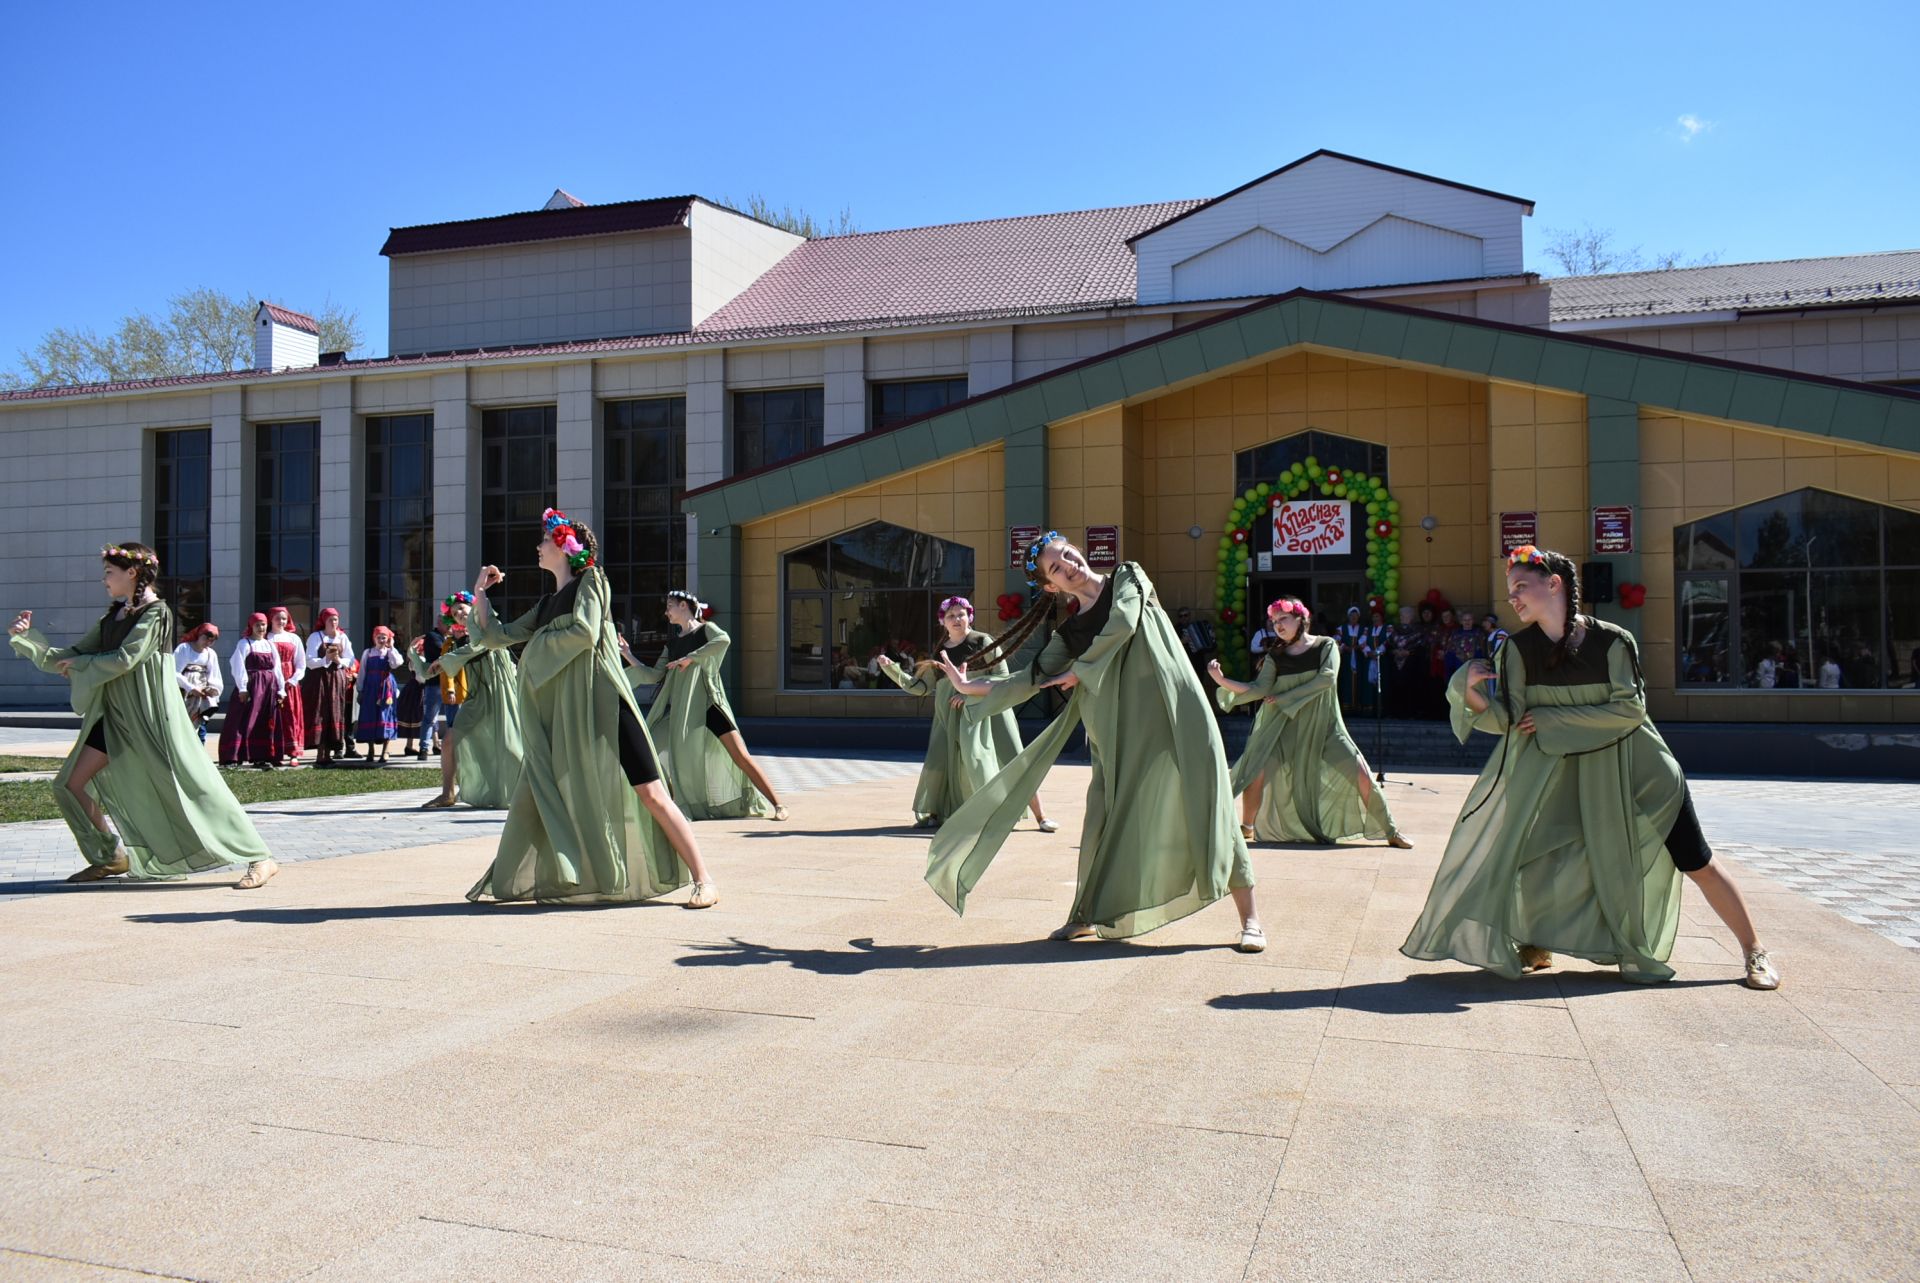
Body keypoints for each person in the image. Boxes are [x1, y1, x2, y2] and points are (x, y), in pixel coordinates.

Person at [1402, 545, 1779, 989]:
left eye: (1522, 586)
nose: (1514, 598)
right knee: (1537, 859)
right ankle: (1537, 941)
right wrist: (1466, 692)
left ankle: (1755, 950)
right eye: (1510, 591)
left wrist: (1550, 719)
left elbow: (1629, 711)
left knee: (1698, 862)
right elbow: (1511, 721)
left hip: (1641, 772)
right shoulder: (1518, 651)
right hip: (1570, 779)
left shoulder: (1613, 640)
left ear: (1554, 584)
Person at [929, 532, 1264, 950]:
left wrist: (1080, 672)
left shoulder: (1128, 577)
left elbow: (1123, 622)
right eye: (1056, 567)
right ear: (1051, 586)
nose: (1068, 564)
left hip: (1179, 715)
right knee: (1101, 817)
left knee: (1208, 802)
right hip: (1118, 730)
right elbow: (1029, 679)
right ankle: (1086, 914)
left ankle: (1250, 919)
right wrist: (968, 685)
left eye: (1068, 554)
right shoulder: (1069, 633)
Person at [463, 508, 718, 907]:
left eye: (545, 540)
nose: (538, 546)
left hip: (604, 700)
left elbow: (584, 631)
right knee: (542, 787)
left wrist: (533, 652)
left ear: (565, 546)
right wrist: (480, 594)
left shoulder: (592, 582)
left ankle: (704, 879)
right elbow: (497, 636)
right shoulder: (547, 603)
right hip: (568, 714)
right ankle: (557, 874)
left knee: (651, 791)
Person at [8, 543, 277, 887]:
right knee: (69, 785)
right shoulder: (113, 617)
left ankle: (260, 856)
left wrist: (82, 665)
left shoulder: (157, 613)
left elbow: (125, 658)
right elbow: (70, 656)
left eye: (109, 572)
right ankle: (110, 857)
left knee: (195, 786)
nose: (104, 580)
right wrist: (27, 640)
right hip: (115, 717)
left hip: (151, 717)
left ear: (131, 573)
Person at [1211, 597, 1410, 848]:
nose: (1277, 626)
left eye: (1283, 619)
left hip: (1325, 728)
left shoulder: (1326, 646)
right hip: (1284, 730)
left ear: (1301, 619)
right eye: (1274, 621)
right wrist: (1222, 681)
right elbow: (1258, 689)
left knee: (1362, 775)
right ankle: (1247, 827)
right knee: (1255, 772)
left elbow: (1326, 679)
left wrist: (1284, 696)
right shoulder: (1276, 655)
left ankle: (1390, 830)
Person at [876, 594, 1057, 832]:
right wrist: (893, 670)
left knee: (1011, 758)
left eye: (961, 614)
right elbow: (922, 687)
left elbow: (1004, 678)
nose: (956, 619)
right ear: (942, 621)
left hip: (990, 714)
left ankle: (1041, 816)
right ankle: (937, 813)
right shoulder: (941, 649)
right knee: (943, 763)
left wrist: (968, 691)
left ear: (969, 616)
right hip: (951, 718)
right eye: (950, 615)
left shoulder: (983, 642)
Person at [618, 589, 787, 821]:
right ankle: (677, 803)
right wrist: (628, 655)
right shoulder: (673, 643)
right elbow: (654, 675)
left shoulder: (706, 630)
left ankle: (778, 804)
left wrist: (691, 658)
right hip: (683, 713)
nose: (666, 611)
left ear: (684, 606)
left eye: (670, 605)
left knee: (741, 756)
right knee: (649, 749)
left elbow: (723, 640)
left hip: (709, 705)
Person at [416, 592, 523, 809]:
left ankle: (531, 794)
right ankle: (447, 793)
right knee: (448, 742)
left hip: (500, 694)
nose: (459, 615)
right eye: (455, 614)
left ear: (472, 607)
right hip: (477, 698)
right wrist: (414, 656)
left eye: (462, 609)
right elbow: (432, 671)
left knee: (512, 747)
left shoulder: (486, 626)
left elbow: (480, 645)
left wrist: (445, 660)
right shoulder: (457, 643)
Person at [303, 607, 356, 767]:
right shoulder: (315, 637)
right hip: (319, 678)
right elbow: (309, 661)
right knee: (320, 712)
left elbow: (351, 659)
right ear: (324, 621)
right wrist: (325, 659)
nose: (334, 623)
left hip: (336, 678)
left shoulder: (342, 637)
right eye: (330, 620)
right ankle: (320, 751)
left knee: (335, 712)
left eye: (336, 619)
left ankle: (330, 751)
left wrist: (339, 660)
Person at [265, 606, 306, 766]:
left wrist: (293, 680)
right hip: (272, 682)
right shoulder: (266, 638)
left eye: (284, 618)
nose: (281, 621)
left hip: (289, 682)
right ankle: (275, 752)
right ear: (271, 619)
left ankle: (293, 753)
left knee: (291, 716)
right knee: (274, 717)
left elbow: (301, 664)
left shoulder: (293, 638)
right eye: (278, 618)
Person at [356, 626, 402, 764]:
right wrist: (360, 689)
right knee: (370, 715)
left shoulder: (389, 652)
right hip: (370, 687)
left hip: (386, 688)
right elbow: (362, 671)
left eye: (384, 637)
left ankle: (385, 751)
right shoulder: (368, 652)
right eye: (379, 637)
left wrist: (392, 647)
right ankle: (371, 750)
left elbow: (397, 663)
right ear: (374, 638)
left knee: (385, 715)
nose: (382, 640)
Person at [173, 622, 222, 743]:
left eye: (212, 640)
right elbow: (174, 671)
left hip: (202, 696)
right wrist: (190, 688)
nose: (208, 643)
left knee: (201, 725)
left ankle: (199, 751)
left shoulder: (211, 654)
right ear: (199, 635)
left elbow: (214, 675)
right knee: (181, 724)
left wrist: (212, 689)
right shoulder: (184, 648)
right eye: (206, 638)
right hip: (183, 693)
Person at [1335, 605, 1367, 710]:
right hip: (1346, 658)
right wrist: (1345, 647)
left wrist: (1357, 647)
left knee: (1359, 679)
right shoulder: (1341, 628)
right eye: (1351, 615)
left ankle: (1358, 706)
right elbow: (1337, 640)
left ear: (1358, 616)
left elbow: (1365, 640)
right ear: (1348, 616)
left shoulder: (1363, 629)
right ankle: (1347, 706)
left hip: (1359, 658)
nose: (1353, 617)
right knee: (1346, 680)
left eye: (1355, 615)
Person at [1176, 606, 1216, 686]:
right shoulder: (1175, 629)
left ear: (1189, 616)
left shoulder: (1198, 626)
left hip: (1198, 663)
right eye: (1181, 616)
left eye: (1186, 615)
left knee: (1199, 685)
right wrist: (1181, 642)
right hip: (1183, 664)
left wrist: (1211, 637)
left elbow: (1210, 649)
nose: (1183, 618)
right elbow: (1170, 646)